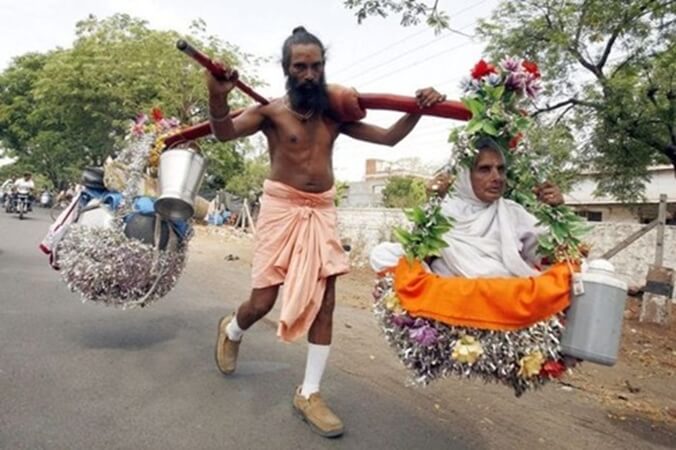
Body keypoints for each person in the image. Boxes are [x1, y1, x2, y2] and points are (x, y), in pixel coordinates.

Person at [206, 26, 444, 438]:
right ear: (286, 69)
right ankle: (232, 329)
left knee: (326, 301)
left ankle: (309, 392)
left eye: (316, 66)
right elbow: (224, 132)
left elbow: (387, 139)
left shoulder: (335, 115)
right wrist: (217, 94)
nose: (310, 75)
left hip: (321, 212)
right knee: (263, 302)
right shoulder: (271, 114)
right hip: (281, 211)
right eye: (301, 66)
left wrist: (418, 109)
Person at [370, 137, 564, 277]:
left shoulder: (512, 212)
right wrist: (431, 205)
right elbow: (417, 254)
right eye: (485, 169)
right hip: (454, 301)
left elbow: (552, 254)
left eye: (501, 169)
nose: (496, 177)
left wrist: (557, 212)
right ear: (465, 175)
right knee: (384, 254)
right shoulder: (444, 210)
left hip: (507, 299)